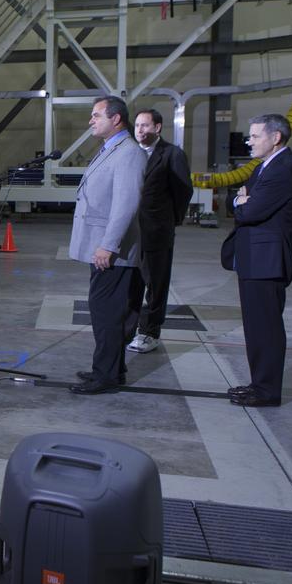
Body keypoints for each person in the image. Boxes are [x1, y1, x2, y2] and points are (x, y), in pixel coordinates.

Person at [221, 114, 292, 408]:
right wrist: (241, 201)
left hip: (266, 260)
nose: (250, 141)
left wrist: (242, 203)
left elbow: (250, 212)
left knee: (265, 328)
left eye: (255, 136)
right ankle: (259, 384)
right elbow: (245, 203)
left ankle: (267, 391)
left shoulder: (283, 170)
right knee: (256, 326)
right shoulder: (266, 168)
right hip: (255, 257)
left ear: (275, 138)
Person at [68, 96, 147, 395]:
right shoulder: (112, 149)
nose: (91, 120)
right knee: (104, 313)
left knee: (108, 315)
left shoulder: (128, 153)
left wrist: (109, 246)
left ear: (116, 119)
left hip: (111, 251)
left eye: (96, 115)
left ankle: (106, 377)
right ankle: (110, 369)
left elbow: (126, 205)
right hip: (102, 248)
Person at [126, 110, 194, 354]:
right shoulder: (131, 154)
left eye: (145, 126)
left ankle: (149, 332)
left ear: (158, 127)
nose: (140, 130)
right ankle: (129, 328)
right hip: (131, 231)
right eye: (137, 126)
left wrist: (168, 221)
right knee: (131, 282)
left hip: (156, 230)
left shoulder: (171, 154)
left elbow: (183, 190)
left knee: (155, 284)